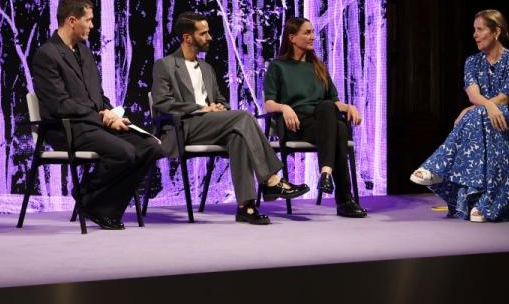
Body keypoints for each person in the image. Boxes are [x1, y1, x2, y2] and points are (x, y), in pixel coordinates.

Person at [151, 12, 309, 225]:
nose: (209, 37)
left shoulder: (206, 68)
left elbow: (220, 100)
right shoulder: (166, 64)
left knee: (238, 136)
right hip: (183, 127)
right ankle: (272, 180)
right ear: (187, 38)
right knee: (243, 117)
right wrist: (201, 109)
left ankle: (246, 206)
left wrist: (218, 108)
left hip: (210, 126)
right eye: (204, 33)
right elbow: (162, 102)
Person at [410, 9, 509, 222]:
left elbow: (504, 99)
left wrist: (477, 109)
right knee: (478, 117)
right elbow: (473, 94)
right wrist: (483, 107)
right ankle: (481, 198)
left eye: (480, 29)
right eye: (474, 30)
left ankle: (439, 168)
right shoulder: (472, 62)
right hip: (485, 118)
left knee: (475, 117)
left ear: (496, 32)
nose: (475, 35)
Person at [31, 0, 163, 230]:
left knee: (150, 146)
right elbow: (59, 105)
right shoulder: (46, 55)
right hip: (67, 128)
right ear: (72, 20)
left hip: (94, 124)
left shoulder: (84, 52)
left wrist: (111, 113)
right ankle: (97, 203)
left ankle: (90, 197)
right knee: (124, 152)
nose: (92, 25)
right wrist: (102, 118)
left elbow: (97, 96)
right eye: (88, 20)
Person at [262, 17, 369, 218]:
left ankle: (326, 173)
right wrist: (284, 108)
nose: (312, 37)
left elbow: (334, 102)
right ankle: (344, 200)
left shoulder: (318, 67)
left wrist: (349, 106)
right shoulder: (278, 66)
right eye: (307, 32)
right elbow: (268, 105)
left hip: (322, 122)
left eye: (313, 32)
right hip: (296, 126)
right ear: (292, 38)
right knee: (339, 128)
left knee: (331, 113)